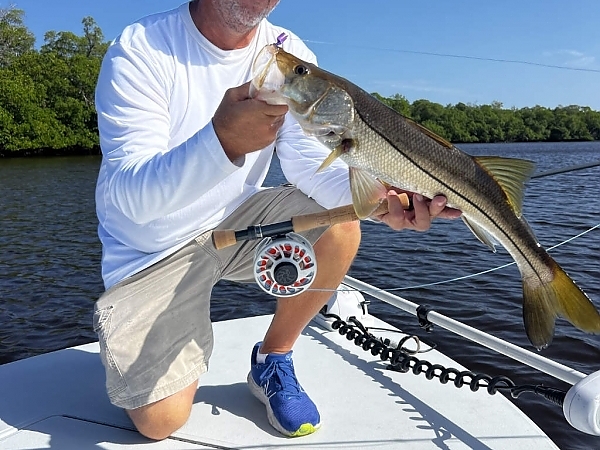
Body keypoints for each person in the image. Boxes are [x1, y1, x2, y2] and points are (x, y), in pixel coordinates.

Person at [93, 0, 460, 441]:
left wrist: (380, 202)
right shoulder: (141, 49)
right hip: (150, 250)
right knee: (160, 423)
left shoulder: (286, 53)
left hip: (235, 221)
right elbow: (130, 200)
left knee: (342, 224)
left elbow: (310, 165)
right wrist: (221, 141)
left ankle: (273, 357)